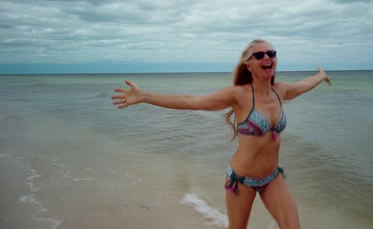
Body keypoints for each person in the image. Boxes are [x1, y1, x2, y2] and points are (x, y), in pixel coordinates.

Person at [112, 39, 331, 229]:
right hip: (241, 180)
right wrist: (144, 96)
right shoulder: (239, 95)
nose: (267, 57)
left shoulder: (280, 90)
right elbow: (192, 102)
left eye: (271, 53)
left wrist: (320, 76)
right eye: (260, 54)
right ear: (250, 65)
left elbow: (303, 85)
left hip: (273, 178)